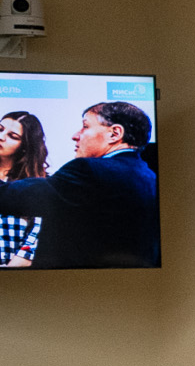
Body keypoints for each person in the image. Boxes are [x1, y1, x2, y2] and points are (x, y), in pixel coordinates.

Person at [0, 99, 159, 269]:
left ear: (114, 134)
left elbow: (10, 197)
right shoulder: (150, 177)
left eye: (85, 126)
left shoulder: (89, 171)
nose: (75, 135)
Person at [0, 111, 45, 265]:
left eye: (13, 136)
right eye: (0, 129)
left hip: (16, 275)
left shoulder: (34, 186)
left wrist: (9, 273)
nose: (1, 137)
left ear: (25, 146)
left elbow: (34, 240)